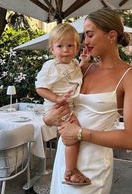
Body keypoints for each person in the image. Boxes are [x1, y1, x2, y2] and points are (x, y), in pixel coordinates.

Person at [44, 8, 132, 194]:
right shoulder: (83, 69)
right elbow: (59, 105)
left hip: (93, 168)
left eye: (89, 34)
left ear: (111, 36)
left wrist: (81, 134)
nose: (84, 40)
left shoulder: (130, 76)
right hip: (65, 160)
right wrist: (48, 118)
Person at [35, 23, 91, 185]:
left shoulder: (73, 64)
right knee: (73, 135)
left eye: (70, 46)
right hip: (57, 107)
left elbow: (73, 76)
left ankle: (68, 167)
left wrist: (83, 63)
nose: (65, 50)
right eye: (60, 46)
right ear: (52, 49)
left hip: (68, 106)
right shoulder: (50, 66)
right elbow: (40, 88)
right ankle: (70, 171)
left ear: (76, 48)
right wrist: (56, 98)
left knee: (72, 135)